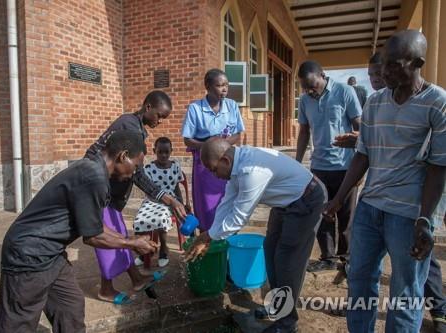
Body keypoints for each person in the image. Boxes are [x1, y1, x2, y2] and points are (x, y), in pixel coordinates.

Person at [325, 29, 446, 333]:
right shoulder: (375, 102)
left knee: (405, 294)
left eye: (394, 65)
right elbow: (362, 156)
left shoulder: (437, 103)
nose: (384, 72)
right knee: (359, 280)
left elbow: (438, 167)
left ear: (417, 62)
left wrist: (425, 219)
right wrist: (339, 198)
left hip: (407, 214)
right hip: (370, 208)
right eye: (384, 65)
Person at [0, 131, 158, 332]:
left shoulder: (92, 170)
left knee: (69, 307)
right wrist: (132, 244)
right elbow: (94, 236)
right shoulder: (93, 177)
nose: (135, 172)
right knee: (19, 322)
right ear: (122, 156)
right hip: (28, 254)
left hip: (51, 254)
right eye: (136, 165)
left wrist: (129, 239)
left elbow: (95, 225)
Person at [184, 138, 327, 333]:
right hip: (284, 203)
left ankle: (286, 324)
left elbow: (239, 217)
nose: (214, 175)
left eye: (213, 169)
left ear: (225, 161)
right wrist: (210, 234)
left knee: (287, 261)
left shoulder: (252, 171)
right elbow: (227, 203)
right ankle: (278, 307)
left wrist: (208, 237)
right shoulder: (236, 167)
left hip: (306, 199)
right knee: (271, 251)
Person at [86, 90, 187, 303]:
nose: (159, 122)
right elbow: (138, 173)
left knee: (122, 234)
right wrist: (168, 198)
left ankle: (137, 278)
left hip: (110, 192)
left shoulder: (136, 126)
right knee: (109, 240)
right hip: (99, 189)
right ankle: (105, 289)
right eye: (159, 116)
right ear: (148, 107)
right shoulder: (129, 126)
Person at [295, 61, 362, 272]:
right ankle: (328, 257)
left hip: (346, 166)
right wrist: (297, 163)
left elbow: (360, 127)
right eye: (305, 87)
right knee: (322, 213)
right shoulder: (305, 100)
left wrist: (361, 163)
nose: (309, 91)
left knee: (346, 214)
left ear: (323, 75)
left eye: (313, 85)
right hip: (319, 167)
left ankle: (347, 257)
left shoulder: (345, 92)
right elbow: (304, 131)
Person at [181, 68, 245, 231]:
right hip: (205, 161)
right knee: (205, 203)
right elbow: (187, 139)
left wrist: (222, 146)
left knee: (228, 197)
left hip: (228, 159)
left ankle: (229, 235)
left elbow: (237, 133)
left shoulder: (232, 106)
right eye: (219, 85)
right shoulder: (195, 108)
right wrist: (210, 146)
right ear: (208, 87)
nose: (224, 89)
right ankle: (207, 237)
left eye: (226, 85)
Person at [133, 137, 190, 267]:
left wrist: (181, 202)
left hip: (171, 202)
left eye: (166, 152)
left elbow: (176, 186)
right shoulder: (149, 168)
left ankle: (164, 249)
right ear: (154, 151)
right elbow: (149, 190)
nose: (163, 155)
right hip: (152, 201)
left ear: (171, 151)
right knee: (140, 220)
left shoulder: (175, 166)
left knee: (160, 218)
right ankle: (144, 252)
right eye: (160, 152)